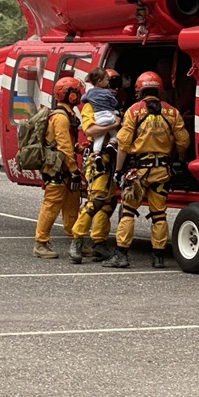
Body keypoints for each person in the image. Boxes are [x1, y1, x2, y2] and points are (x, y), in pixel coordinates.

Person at [108, 70, 190, 269]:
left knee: (128, 211)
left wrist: (118, 171)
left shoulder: (133, 111)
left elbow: (123, 145)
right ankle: (158, 257)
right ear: (159, 90)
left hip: (137, 173)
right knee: (159, 215)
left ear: (139, 91)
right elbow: (183, 141)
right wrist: (179, 160)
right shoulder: (172, 112)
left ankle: (121, 255)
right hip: (162, 171)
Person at [68, 70, 122, 263]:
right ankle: (77, 239)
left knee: (109, 202)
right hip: (97, 159)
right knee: (96, 200)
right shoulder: (90, 106)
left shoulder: (111, 105)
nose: (111, 86)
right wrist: (113, 125)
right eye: (109, 82)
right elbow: (91, 129)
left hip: (111, 158)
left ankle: (99, 242)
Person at [33, 76, 85, 259]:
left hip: (64, 169)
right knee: (52, 205)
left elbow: (69, 143)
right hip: (57, 170)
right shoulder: (61, 117)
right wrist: (74, 170)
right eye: (77, 92)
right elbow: (64, 147)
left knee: (72, 206)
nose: (79, 96)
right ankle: (41, 243)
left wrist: (81, 149)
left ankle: (76, 241)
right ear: (70, 96)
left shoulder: (67, 115)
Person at [81, 67, 121, 152]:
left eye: (118, 85)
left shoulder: (115, 105)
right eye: (112, 85)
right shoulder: (90, 106)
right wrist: (114, 125)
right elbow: (89, 131)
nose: (116, 89)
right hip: (101, 152)